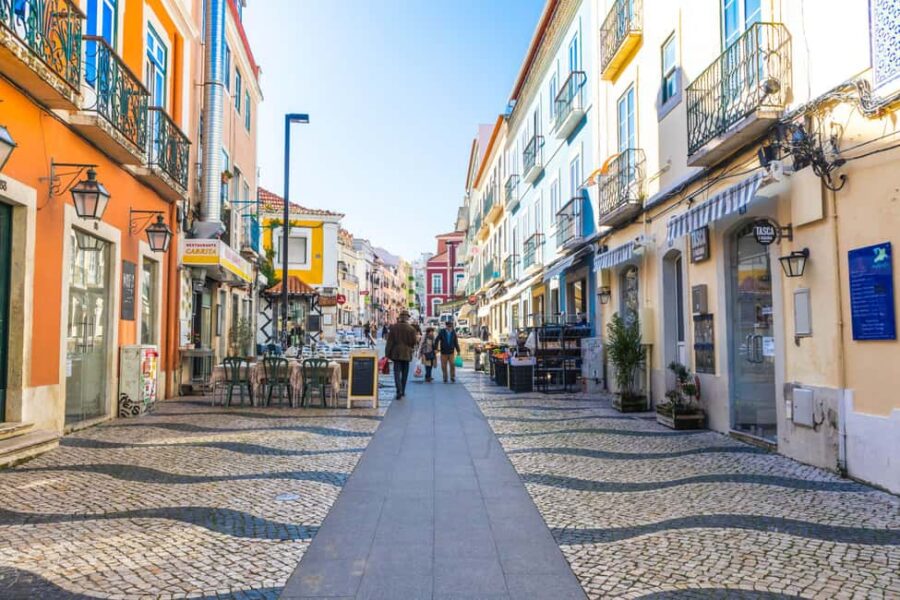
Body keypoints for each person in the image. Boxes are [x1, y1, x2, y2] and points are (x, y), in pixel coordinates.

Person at [385, 310, 417, 399]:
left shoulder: (394, 328)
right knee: (405, 373)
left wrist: (387, 354)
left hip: (396, 353)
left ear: (400, 318)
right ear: (407, 318)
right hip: (406, 353)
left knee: (396, 372)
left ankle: (398, 390)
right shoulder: (411, 329)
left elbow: (389, 342)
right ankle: (402, 390)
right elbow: (414, 342)